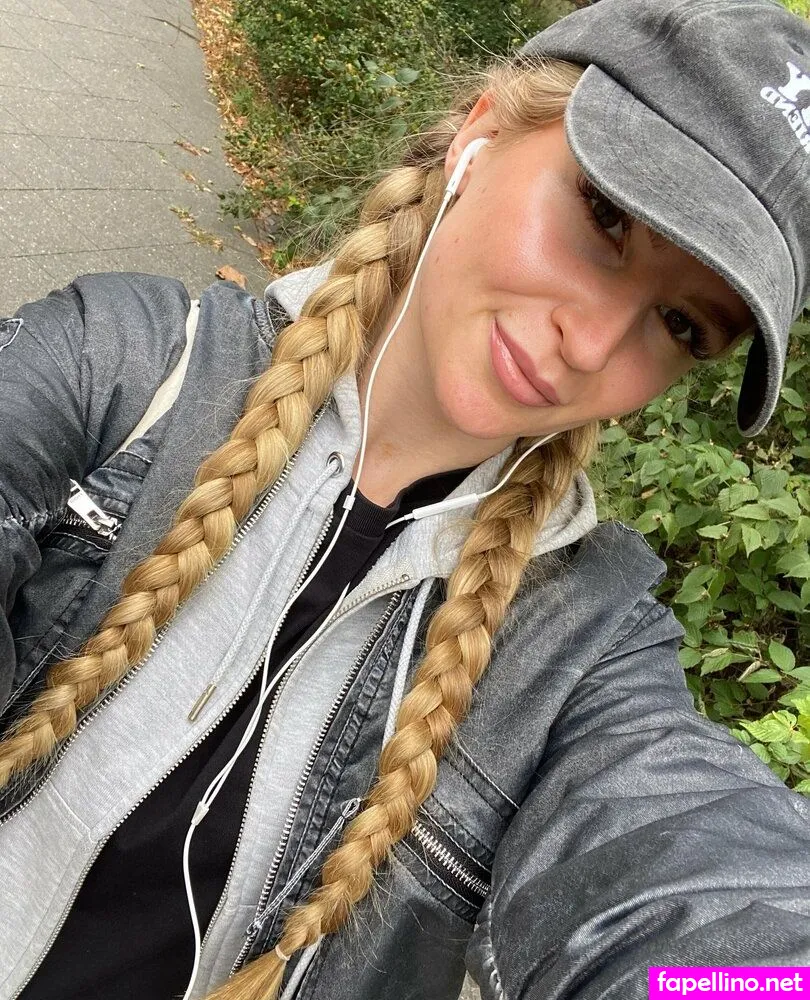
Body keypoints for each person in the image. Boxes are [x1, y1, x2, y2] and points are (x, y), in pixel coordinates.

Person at [0, 0, 809, 998]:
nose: (593, 343)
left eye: (681, 324)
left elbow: (713, 915)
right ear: (480, 136)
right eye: (606, 215)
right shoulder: (118, 369)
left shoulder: (579, 649)